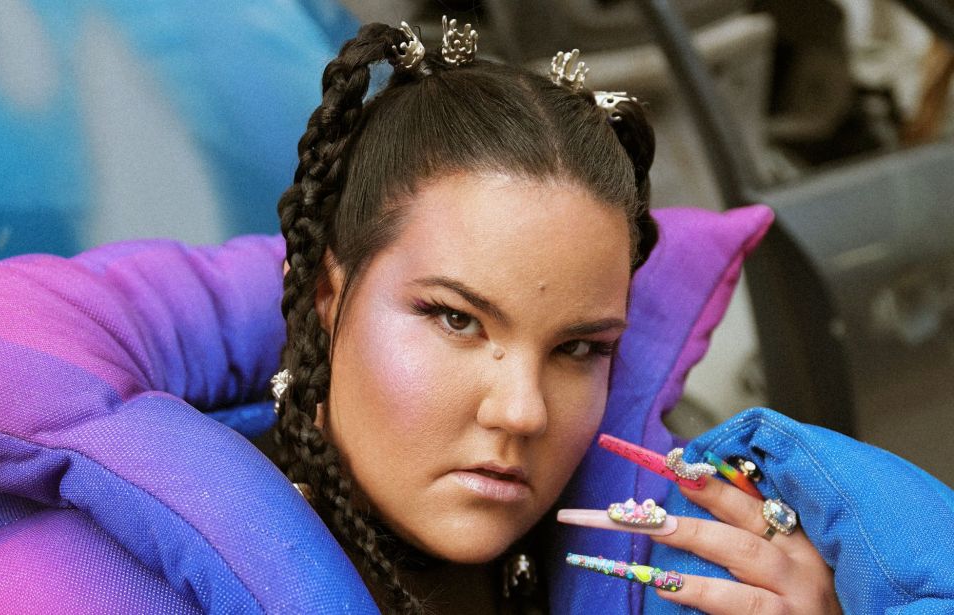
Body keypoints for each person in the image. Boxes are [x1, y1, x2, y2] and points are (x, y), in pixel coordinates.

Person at [250, 18, 843, 614]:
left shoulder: (649, 557)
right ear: (323, 297)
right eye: (458, 320)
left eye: (578, 349)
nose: (523, 412)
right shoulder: (176, 579)